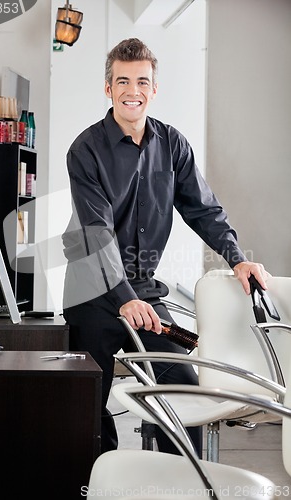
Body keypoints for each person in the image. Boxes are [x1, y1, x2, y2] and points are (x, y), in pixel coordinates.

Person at [62, 38, 269, 457]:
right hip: (91, 292)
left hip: (144, 291)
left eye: (142, 81)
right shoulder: (84, 151)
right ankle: (98, 481)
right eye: (122, 81)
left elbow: (204, 210)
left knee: (182, 388)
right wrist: (123, 299)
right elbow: (97, 231)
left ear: (154, 89)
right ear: (108, 88)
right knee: (87, 404)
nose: (132, 90)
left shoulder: (173, 145)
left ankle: (183, 481)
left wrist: (238, 259)